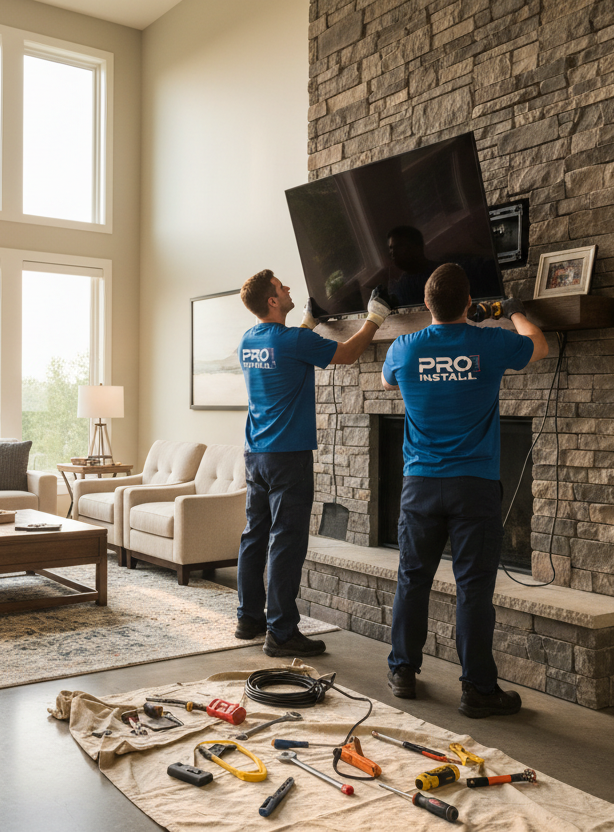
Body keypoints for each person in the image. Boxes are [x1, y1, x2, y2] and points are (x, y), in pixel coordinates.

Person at [380, 263, 548, 717]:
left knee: (412, 579)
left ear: (428, 305)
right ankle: (477, 688)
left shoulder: (403, 346)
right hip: (473, 486)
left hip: (420, 485)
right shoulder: (489, 343)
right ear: (470, 303)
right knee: (473, 589)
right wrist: (513, 311)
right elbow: (539, 345)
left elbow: (386, 380)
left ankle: (402, 671)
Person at [235, 269, 389, 657]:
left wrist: (310, 320)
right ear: (272, 301)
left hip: (256, 454)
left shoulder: (249, 340)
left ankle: (248, 617)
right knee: (287, 542)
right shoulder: (296, 340)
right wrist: (375, 316)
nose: (288, 290)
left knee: (255, 535)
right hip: (288, 455)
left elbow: (283, 352)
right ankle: (282, 632)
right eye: (281, 288)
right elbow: (349, 353)